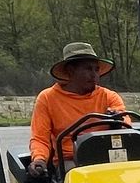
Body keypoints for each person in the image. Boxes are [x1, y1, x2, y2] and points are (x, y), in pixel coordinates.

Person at [30, 42, 126, 175]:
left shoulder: (109, 97)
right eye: (88, 69)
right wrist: (39, 159)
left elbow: (126, 124)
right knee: (74, 177)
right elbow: (40, 138)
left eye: (96, 69)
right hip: (71, 160)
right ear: (71, 70)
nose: (94, 75)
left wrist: (118, 122)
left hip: (108, 155)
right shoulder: (47, 98)